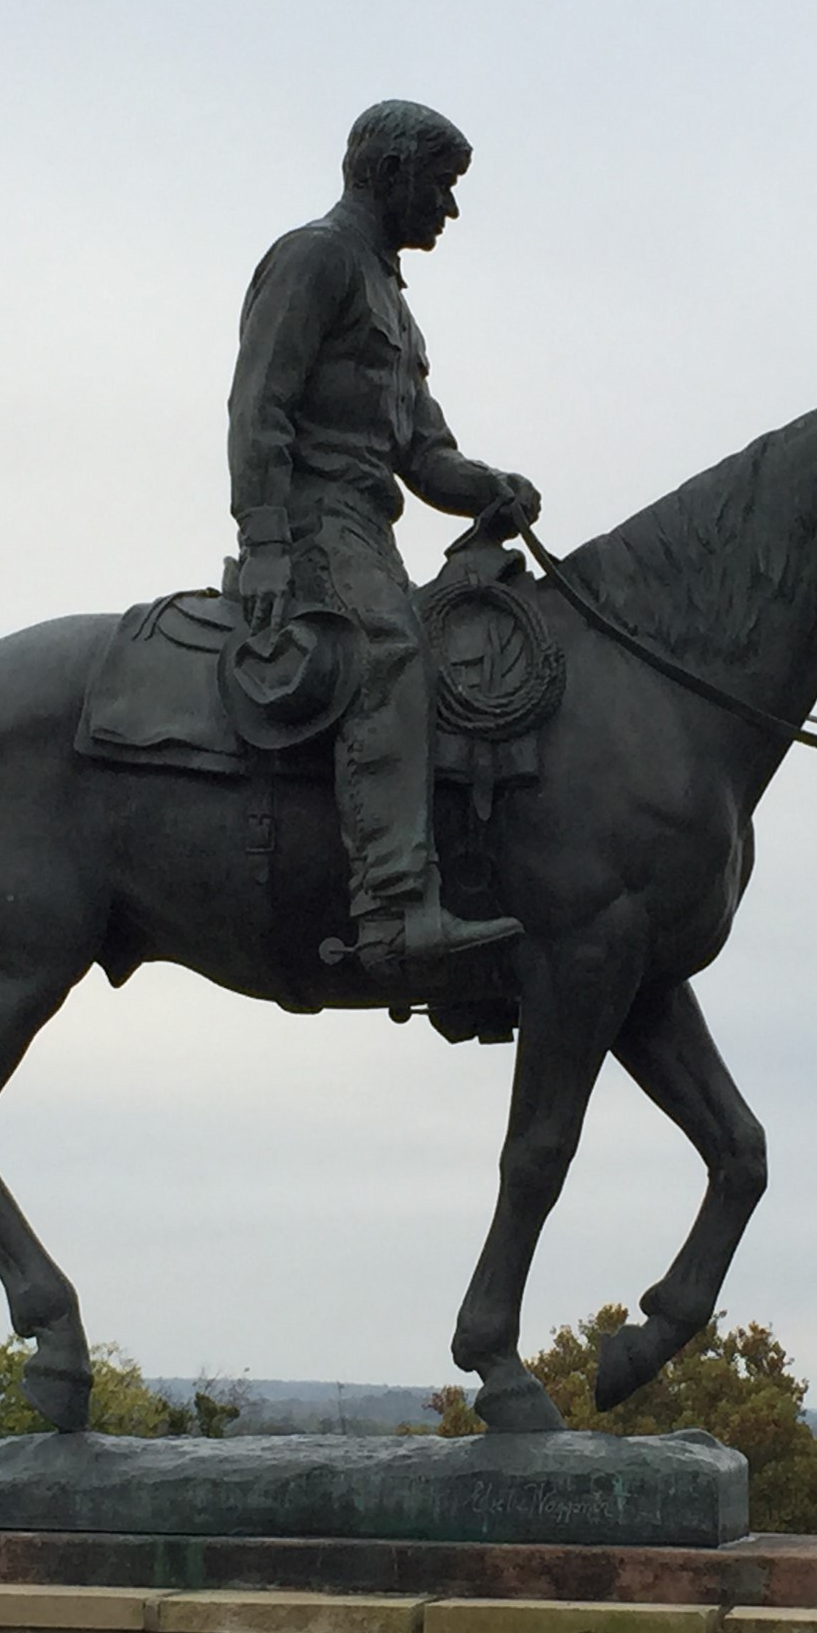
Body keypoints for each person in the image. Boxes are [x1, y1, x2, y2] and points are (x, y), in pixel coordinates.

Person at [228, 100, 540, 979]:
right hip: (315, 521)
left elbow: (427, 457)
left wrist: (491, 487)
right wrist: (265, 543)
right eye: (440, 186)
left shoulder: (397, 312)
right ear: (393, 171)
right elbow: (259, 407)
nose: (449, 208)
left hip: (371, 532)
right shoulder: (315, 259)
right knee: (391, 652)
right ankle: (395, 908)